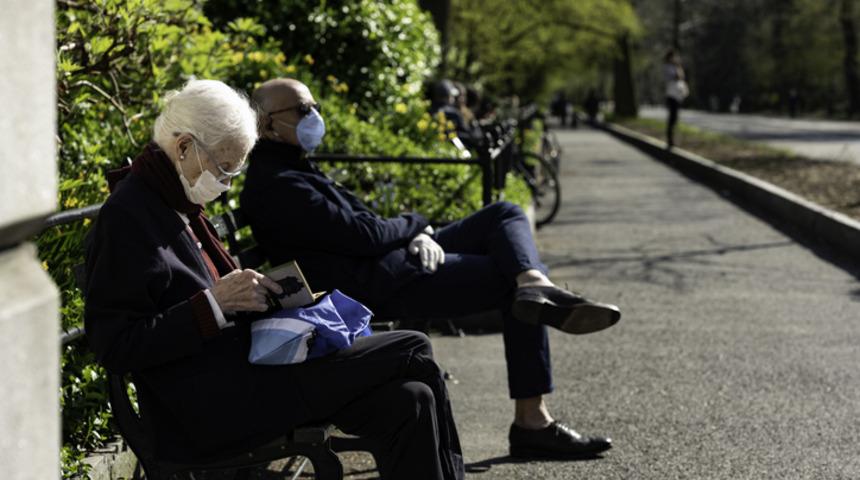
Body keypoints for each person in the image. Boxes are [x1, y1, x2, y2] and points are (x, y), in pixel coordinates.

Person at [83, 79, 464, 480]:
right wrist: (214, 304)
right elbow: (116, 345)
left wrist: (264, 296)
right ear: (183, 147)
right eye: (225, 167)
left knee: (411, 400)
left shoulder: (174, 199)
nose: (227, 182)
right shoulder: (129, 215)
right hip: (211, 406)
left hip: (250, 374)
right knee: (414, 346)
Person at [241, 78, 621, 459]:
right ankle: (532, 422)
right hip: (381, 282)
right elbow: (367, 235)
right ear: (266, 124)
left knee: (503, 214)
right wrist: (415, 224)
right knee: (507, 283)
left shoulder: (294, 167)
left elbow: (366, 229)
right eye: (303, 110)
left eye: (315, 105)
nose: (315, 116)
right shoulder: (279, 184)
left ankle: (533, 282)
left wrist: (412, 233)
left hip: (394, 260)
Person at [664, 49, 689, 148]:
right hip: (671, 95)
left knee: (675, 118)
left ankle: (673, 139)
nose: (675, 58)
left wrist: (678, 67)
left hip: (677, 95)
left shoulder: (676, 67)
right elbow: (677, 77)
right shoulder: (668, 67)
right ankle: (670, 140)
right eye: (674, 57)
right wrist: (678, 67)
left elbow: (682, 76)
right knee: (672, 118)